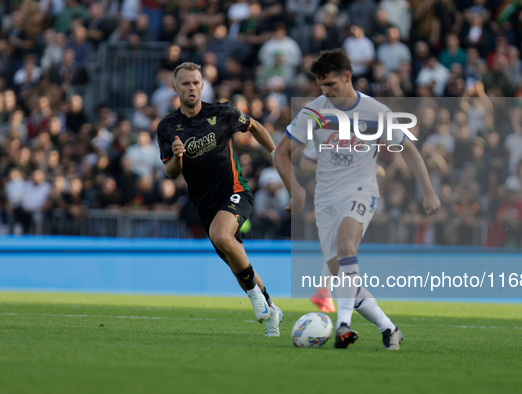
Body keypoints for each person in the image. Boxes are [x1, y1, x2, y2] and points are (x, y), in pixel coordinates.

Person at [274, 49, 441, 349]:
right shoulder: (314, 111)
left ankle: (343, 325)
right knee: (344, 275)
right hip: (325, 200)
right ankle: (389, 329)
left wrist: (428, 190)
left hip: (362, 191)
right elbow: (281, 153)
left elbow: (409, 149)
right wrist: (295, 189)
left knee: (346, 245)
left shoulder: (376, 112)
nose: (326, 92)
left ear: (347, 77)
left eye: (331, 85)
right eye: (321, 86)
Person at [156, 62, 283, 336]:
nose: (191, 87)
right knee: (237, 263)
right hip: (206, 204)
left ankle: (256, 301)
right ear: (175, 88)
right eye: (185, 83)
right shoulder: (168, 127)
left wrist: (276, 155)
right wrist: (177, 156)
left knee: (223, 237)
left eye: (195, 82)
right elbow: (171, 173)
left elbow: (255, 126)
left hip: (236, 190)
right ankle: (272, 308)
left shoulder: (222, 113)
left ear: (203, 86)